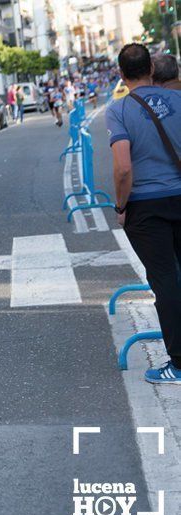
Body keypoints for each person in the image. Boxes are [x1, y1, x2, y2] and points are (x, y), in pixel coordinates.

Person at [107, 43, 181, 384]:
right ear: (151, 68)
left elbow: (123, 168)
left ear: (121, 74)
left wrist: (121, 206)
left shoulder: (119, 110)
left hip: (146, 207)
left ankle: (178, 363)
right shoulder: (179, 100)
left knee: (166, 280)